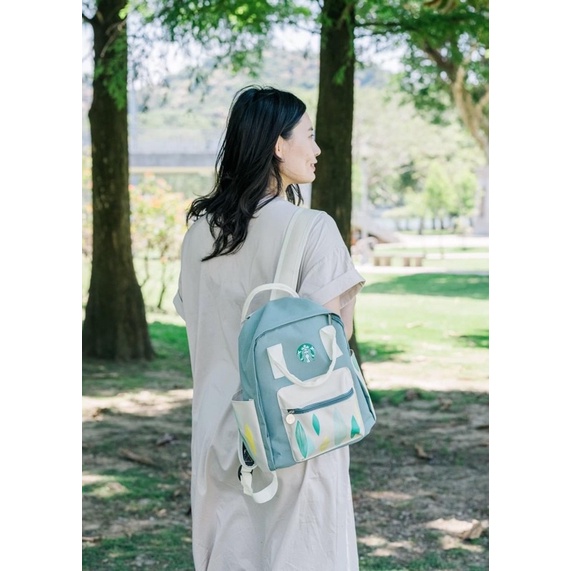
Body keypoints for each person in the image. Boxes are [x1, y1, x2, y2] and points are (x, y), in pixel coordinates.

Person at [173, 85, 365, 570]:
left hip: (219, 431)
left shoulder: (198, 236)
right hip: (294, 433)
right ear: (279, 145)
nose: (318, 149)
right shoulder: (312, 229)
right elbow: (331, 342)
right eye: (309, 135)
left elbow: (199, 324)